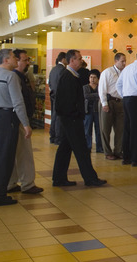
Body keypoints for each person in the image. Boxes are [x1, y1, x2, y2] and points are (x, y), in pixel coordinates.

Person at [0, 49, 33, 206]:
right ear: (5, 60)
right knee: (6, 157)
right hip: (8, 116)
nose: (16, 59)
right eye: (12, 57)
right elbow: (18, 102)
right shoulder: (10, 76)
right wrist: (25, 124)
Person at [52, 50, 107, 187]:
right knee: (81, 149)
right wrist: (75, 115)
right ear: (72, 60)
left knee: (65, 148)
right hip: (71, 119)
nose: (82, 61)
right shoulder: (67, 77)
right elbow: (66, 101)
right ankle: (90, 178)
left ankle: (59, 178)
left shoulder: (72, 76)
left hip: (70, 118)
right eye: (79, 58)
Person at [6, 50, 43, 195]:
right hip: (20, 119)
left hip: (18, 119)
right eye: (25, 60)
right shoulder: (15, 77)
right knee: (24, 153)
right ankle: (27, 183)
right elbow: (18, 101)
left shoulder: (22, 76)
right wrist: (25, 122)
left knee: (15, 153)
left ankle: (11, 182)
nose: (28, 63)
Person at [117, 49, 137, 166]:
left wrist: (124, 95)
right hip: (136, 100)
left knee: (127, 128)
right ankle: (136, 158)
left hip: (126, 99)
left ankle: (126, 157)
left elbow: (118, 84)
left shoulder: (127, 68)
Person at [98, 53, 126, 160]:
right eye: (122, 61)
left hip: (120, 102)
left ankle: (118, 150)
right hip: (108, 101)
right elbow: (102, 88)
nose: (124, 63)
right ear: (116, 61)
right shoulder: (107, 72)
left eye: (125, 61)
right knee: (106, 128)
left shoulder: (124, 72)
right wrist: (104, 103)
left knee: (120, 128)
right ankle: (107, 151)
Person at [48, 52, 67, 144]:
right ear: (63, 59)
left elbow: (50, 83)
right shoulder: (63, 70)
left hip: (53, 95)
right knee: (59, 117)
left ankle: (52, 135)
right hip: (60, 96)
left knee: (54, 116)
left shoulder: (53, 70)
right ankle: (58, 138)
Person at [84, 69, 103, 152]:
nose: (92, 79)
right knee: (87, 130)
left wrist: (94, 95)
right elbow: (86, 96)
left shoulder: (100, 87)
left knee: (98, 130)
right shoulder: (85, 87)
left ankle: (99, 147)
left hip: (97, 110)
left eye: (94, 77)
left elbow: (102, 95)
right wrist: (97, 95)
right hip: (88, 110)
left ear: (98, 78)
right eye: (91, 77)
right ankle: (88, 147)